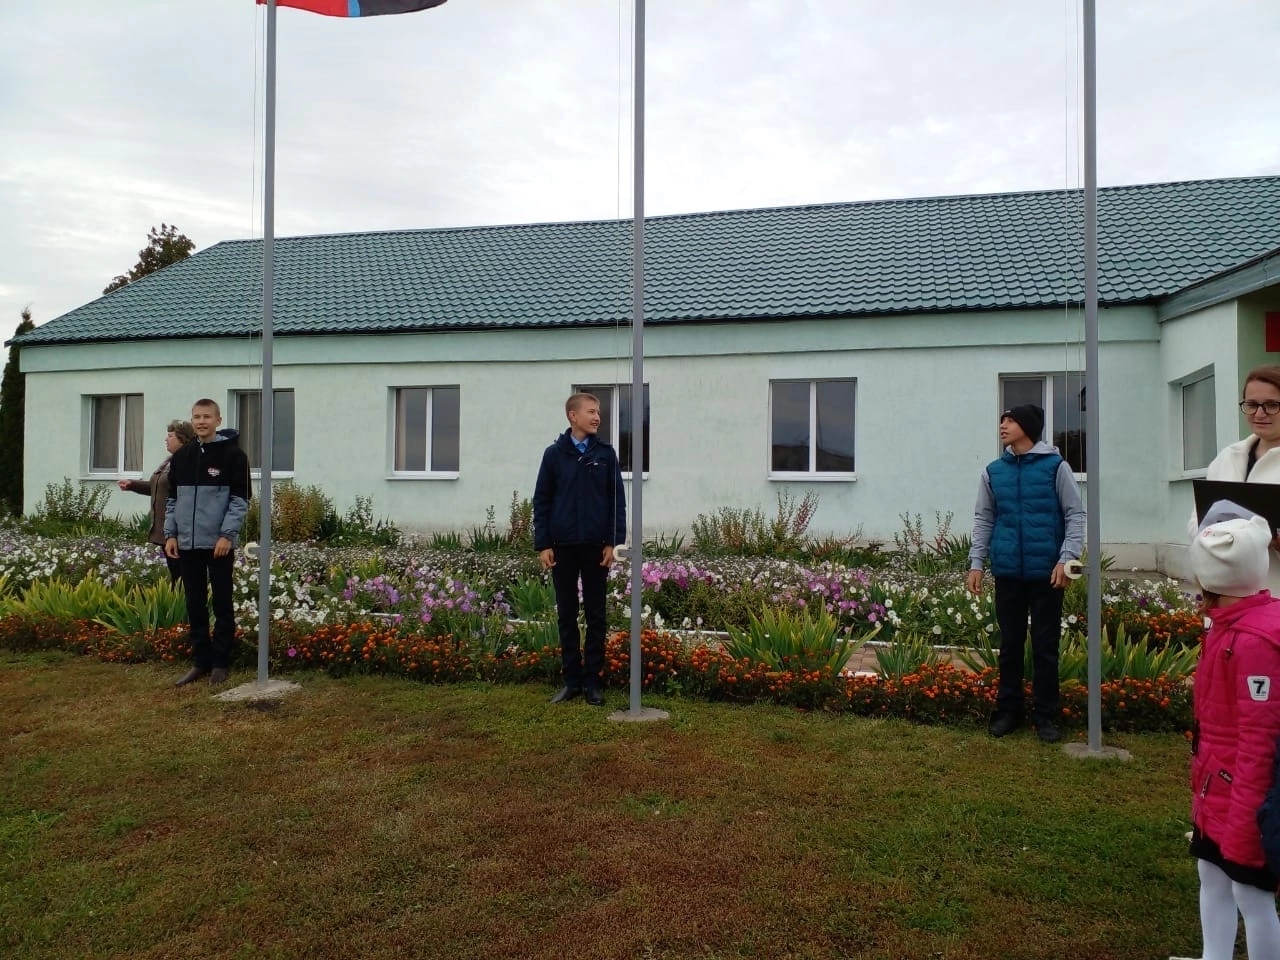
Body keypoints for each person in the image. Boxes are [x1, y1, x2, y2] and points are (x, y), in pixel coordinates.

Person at [1172, 500, 1280, 960]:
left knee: (1251, 897)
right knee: (1212, 878)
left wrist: (1244, 822)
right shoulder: (1228, 623)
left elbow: (1260, 743)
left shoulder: (1254, 641)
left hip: (1244, 798)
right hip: (1216, 787)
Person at [966, 403, 1085, 743]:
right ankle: (1008, 711)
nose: (1003, 424)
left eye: (1011, 419)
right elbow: (984, 518)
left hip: (1048, 573)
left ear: (1028, 427)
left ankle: (1046, 715)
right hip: (1008, 572)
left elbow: (1075, 514)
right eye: (1002, 419)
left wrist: (1067, 558)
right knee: (1010, 645)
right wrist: (977, 563)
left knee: (1046, 647)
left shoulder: (1055, 467)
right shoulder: (993, 472)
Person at [532, 392, 626, 707]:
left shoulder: (606, 454)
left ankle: (592, 683)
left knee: (597, 616)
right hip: (562, 549)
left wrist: (613, 542)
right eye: (591, 411)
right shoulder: (554, 455)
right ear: (573, 416)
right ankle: (571, 682)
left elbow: (617, 503)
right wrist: (543, 544)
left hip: (596, 549)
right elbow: (541, 501)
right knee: (567, 615)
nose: (597, 417)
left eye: (598, 412)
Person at [164, 399, 251, 687]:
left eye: (207, 417)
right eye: (197, 417)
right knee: (194, 603)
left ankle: (221, 662)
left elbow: (239, 501)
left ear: (217, 420)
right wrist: (171, 534)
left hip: (218, 545)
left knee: (222, 602)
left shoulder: (233, 456)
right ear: (192, 421)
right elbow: (173, 500)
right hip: (187, 544)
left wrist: (227, 535)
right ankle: (201, 661)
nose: (201, 421)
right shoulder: (182, 457)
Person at [1202, 365, 1280, 592]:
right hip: (1228, 598)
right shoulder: (1228, 457)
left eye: (1272, 405)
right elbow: (1196, 521)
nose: (1259, 413)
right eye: (1252, 405)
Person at [118, 419, 195, 584]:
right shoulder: (169, 461)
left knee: (182, 576)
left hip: (178, 530)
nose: (166, 439)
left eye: (170, 436)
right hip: (163, 529)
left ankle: (183, 607)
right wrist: (133, 485)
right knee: (175, 573)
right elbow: (158, 488)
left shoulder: (187, 462)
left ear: (182, 438)